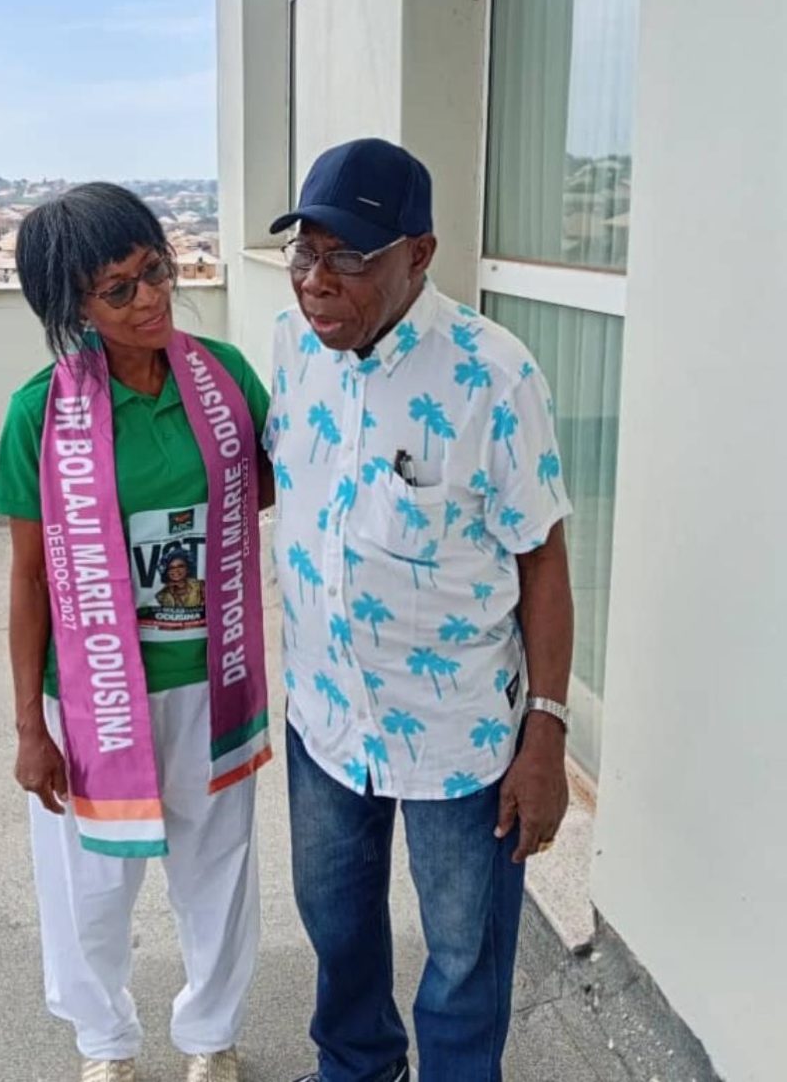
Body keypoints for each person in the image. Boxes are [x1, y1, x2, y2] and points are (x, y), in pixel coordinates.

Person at [265, 139, 575, 1082]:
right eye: (305, 251)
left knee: (464, 958)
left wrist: (546, 733)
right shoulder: (292, 349)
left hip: (458, 737)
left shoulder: (494, 376)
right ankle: (359, 1068)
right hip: (325, 717)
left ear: (420, 254)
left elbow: (544, 559)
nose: (317, 281)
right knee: (336, 927)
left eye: (348, 256)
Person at [0, 183, 273, 1082]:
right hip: (92, 697)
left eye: (156, 270)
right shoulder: (39, 415)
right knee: (92, 887)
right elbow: (30, 577)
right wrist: (30, 727)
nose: (152, 298)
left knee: (217, 868)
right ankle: (105, 1046)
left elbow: (269, 488)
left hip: (211, 678)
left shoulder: (224, 379)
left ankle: (211, 1040)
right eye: (119, 290)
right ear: (73, 308)